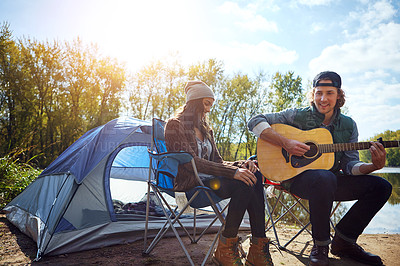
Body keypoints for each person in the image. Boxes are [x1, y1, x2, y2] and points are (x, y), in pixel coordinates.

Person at [248, 71, 392, 266]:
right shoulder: (297, 115)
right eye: (319, 93)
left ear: (339, 95)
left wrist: (373, 166)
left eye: (329, 93)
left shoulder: (349, 125)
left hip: (331, 181)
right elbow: (255, 121)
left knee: (382, 187)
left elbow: (350, 166)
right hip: (297, 180)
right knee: (324, 178)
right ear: (313, 94)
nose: (323, 99)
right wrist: (286, 143)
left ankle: (344, 242)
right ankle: (321, 245)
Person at [164, 80, 273, 266]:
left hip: (211, 182)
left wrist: (242, 164)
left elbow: (218, 162)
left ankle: (257, 247)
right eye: (206, 104)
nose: (208, 110)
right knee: (242, 182)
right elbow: (192, 163)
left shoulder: (207, 129)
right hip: (192, 186)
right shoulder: (175, 125)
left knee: (253, 176)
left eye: (211, 105)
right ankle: (226, 246)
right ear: (194, 102)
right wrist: (233, 172)